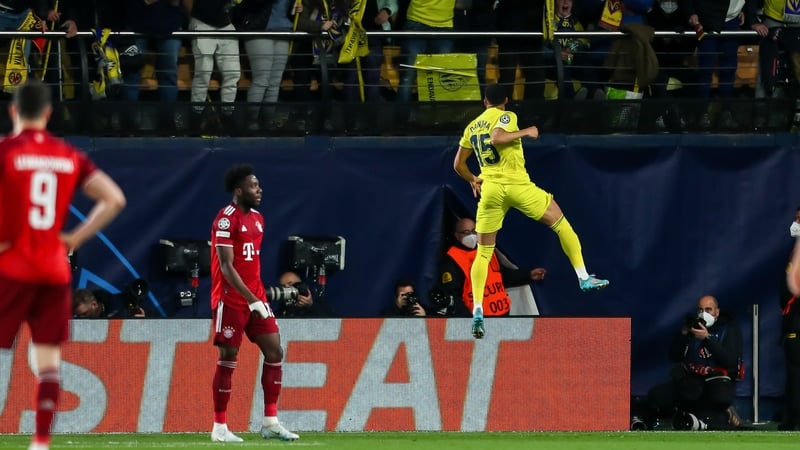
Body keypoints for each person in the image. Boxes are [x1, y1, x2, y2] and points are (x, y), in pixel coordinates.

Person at [0, 79, 126, 450]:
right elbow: (114, 199)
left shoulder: (6, 151)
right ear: (49, 113)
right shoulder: (67, 154)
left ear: (13, 111)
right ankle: (41, 443)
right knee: (47, 362)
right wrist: (74, 238)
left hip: (13, 267)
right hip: (54, 269)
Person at [453, 83, 609, 339]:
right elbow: (498, 137)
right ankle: (583, 277)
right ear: (505, 99)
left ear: (484, 102)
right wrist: (528, 131)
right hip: (516, 185)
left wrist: (473, 178)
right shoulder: (506, 115)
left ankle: (478, 311)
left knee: (483, 253)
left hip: (490, 189)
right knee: (561, 224)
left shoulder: (472, 126)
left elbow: (458, 164)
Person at [209, 164, 298, 442]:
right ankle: (220, 427)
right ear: (239, 190)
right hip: (231, 299)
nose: (259, 190)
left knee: (274, 351)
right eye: (253, 186)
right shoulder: (225, 219)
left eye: (258, 185)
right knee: (228, 357)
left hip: (255, 297)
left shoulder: (259, 219)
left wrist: (259, 298)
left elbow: (251, 264)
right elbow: (226, 266)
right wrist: (250, 300)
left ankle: (270, 421)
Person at [632, 295, 743, 431]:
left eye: (708, 310)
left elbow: (730, 361)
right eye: (700, 310)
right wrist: (683, 334)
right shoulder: (693, 328)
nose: (704, 313)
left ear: (716, 312)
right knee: (658, 395)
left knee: (719, 398)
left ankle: (723, 411)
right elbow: (674, 357)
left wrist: (707, 338)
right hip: (692, 380)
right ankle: (685, 415)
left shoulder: (728, 330)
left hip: (717, 380)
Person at [435, 217, 546, 316]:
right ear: (457, 235)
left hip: (503, 314)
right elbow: (453, 296)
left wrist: (528, 275)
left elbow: (501, 276)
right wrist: (467, 321)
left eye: (474, 231)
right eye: (466, 232)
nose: (471, 236)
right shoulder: (452, 260)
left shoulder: (486, 250)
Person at [780, 207, 800, 430]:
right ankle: (793, 418)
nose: (796, 224)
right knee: (794, 374)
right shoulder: (794, 251)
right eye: (795, 219)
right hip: (793, 323)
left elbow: (794, 287)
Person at [72, 287, 147, 318]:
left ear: (94, 304)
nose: (82, 318)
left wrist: (139, 322)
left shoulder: (121, 304)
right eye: (79, 315)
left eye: (85, 313)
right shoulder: (78, 323)